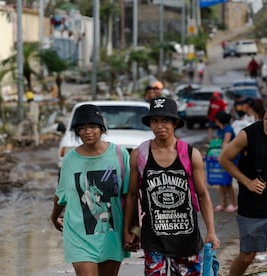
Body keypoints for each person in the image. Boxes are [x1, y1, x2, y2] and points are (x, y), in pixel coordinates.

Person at [123, 97, 220, 275]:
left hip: (187, 240)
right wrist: (128, 230)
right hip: (154, 240)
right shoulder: (140, 155)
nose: (160, 125)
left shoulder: (190, 154)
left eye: (165, 120)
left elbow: (203, 195)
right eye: (155, 121)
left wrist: (211, 231)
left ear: (175, 123)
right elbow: (131, 195)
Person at [219, 92, 267, 275]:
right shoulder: (248, 135)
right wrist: (247, 182)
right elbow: (224, 159)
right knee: (248, 256)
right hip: (252, 206)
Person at [50, 104, 130, 276]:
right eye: (82, 128)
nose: (87, 132)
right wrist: (54, 216)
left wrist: (132, 229)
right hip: (79, 234)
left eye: (93, 126)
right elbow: (62, 193)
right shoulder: (70, 159)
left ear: (101, 129)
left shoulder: (119, 154)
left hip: (111, 233)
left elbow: (129, 195)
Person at [213, 111, 237, 212]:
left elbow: (225, 143)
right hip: (220, 157)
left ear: (218, 120)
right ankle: (223, 204)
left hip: (229, 158)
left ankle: (233, 204)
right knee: (220, 181)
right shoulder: (220, 129)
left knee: (227, 182)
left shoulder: (228, 129)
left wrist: (222, 156)